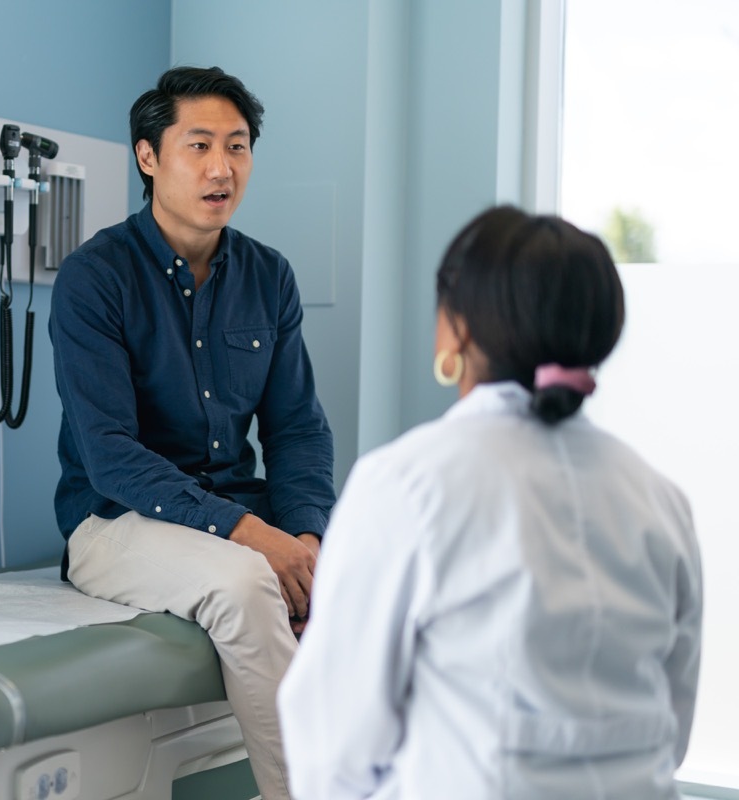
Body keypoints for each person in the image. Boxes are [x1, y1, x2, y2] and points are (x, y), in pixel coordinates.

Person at [277, 205, 703, 800]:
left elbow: (333, 746)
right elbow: (671, 726)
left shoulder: (407, 484)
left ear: (457, 329)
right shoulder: (660, 499)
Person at [48, 66, 336, 800]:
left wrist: (305, 537)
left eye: (237, 147)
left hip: (240, 516)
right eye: (200, 145)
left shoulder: (269, 277)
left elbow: (298, 427)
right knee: (244, 583)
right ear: (148, 157)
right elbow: (110, 457)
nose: (222, 168)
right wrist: (250, 535)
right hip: (115, 522)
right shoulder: (94, 278)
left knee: (359, 574)